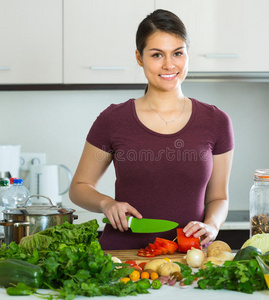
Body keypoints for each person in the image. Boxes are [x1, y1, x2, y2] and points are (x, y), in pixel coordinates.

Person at [69, 9, 234, 250]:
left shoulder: (216, 121)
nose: (169, 64)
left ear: (187, 55)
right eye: (157, 55)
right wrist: (106, 204)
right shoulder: (113, 120)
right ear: (139, 57)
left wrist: (212, 225)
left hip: (189, 258)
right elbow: (79, 187)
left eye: (177, 53)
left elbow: (218, 197)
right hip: (121, 257)